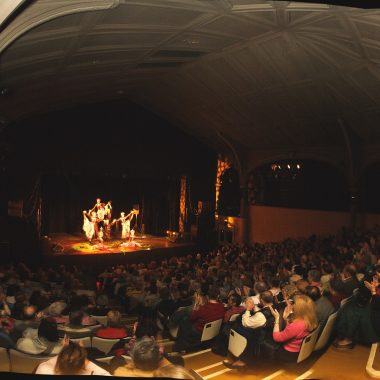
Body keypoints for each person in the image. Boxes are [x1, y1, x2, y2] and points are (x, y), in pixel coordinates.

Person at [269, 294, 318, 362]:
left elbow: (277, 337)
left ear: (298, 310)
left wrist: (277, 319)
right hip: (300, 349)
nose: (292, 306)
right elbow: (293, 331)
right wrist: (286, 319)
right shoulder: (311, 319)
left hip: (289, 354)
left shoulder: (296, 326)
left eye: (293, 305)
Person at [35, 340, 110, 375]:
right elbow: (106, 374)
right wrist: (81, 354)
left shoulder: (43, 370)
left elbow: (50, 363)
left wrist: (65, 350)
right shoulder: (93, 373)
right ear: (83, 364)